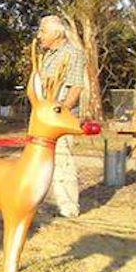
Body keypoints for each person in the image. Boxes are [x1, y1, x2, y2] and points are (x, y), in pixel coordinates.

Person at [37, 15, 85, 218]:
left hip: (60, 119)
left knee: (62, 160)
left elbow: (76, 87)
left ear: (56, 33)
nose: (39, 36)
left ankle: (68, 207)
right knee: (40, 160)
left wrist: (61, 112)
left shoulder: (73, 53)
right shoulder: (47, 55)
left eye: (43, 31)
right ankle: (40, 200)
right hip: (42, 117)